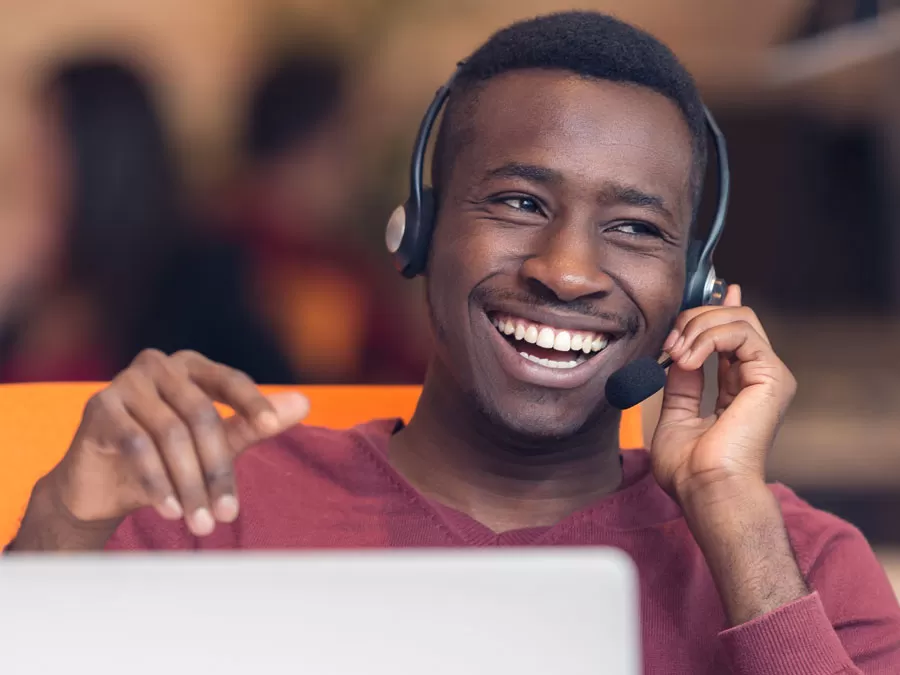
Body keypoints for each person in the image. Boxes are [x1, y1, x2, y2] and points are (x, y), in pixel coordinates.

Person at [8, 12, 900, 674]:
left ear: (695, 283)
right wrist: (62, 525)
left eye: (634, 227)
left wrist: (736, 525)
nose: (568, 270)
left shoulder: (800, 560)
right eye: (518, 203)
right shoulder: (208, 513)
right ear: (419, 230)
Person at [201, 51, 427, 384]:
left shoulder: (342, 263)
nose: (356, 169)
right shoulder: (211, 255)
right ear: (309, 142)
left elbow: (408, 365)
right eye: (347, 144)